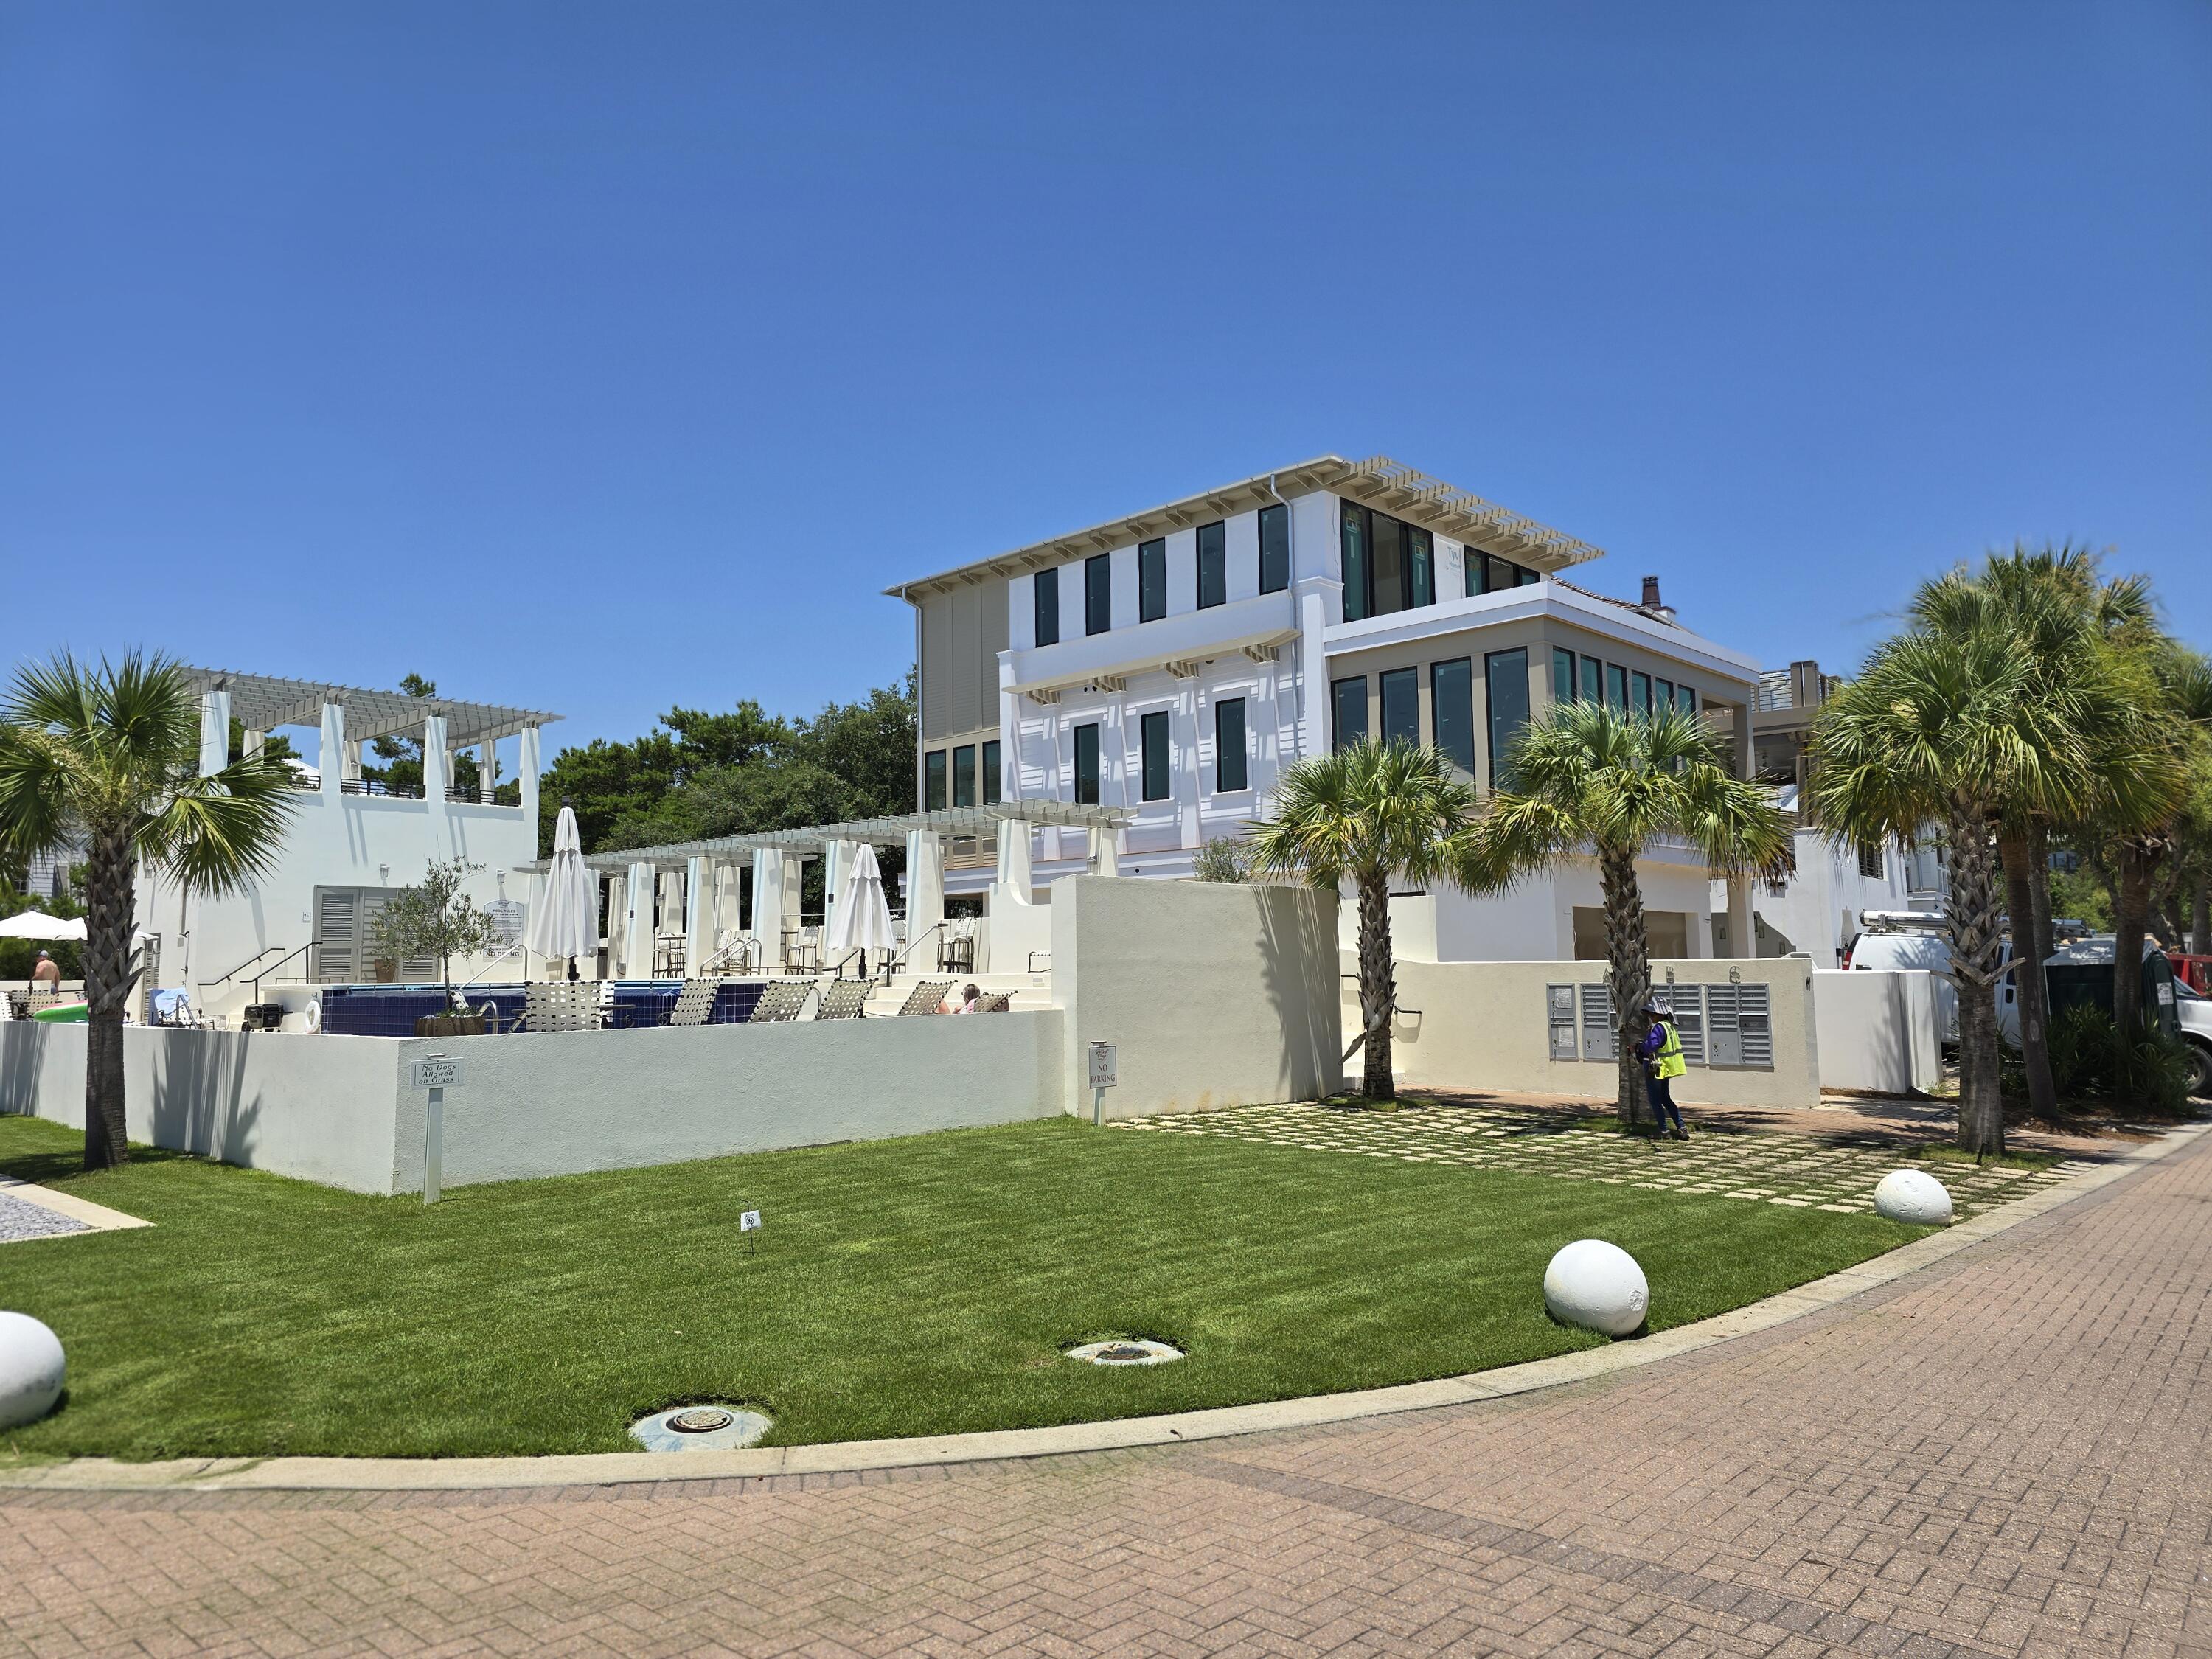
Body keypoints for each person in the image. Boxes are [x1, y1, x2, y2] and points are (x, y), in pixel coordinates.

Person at [1636, 995, 1689, 1140]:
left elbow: (1651, 1046)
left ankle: (1664, 1131)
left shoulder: (1659, 1028)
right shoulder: (1670, 1026)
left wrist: (1640, 1046)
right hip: (1665, 1068)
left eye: (1653, 1014)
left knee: (1655, 1100)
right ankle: (1682, 1127)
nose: (1650, 1016)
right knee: (1666, 1098)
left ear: (1660, 1014)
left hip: (1655, 1068)